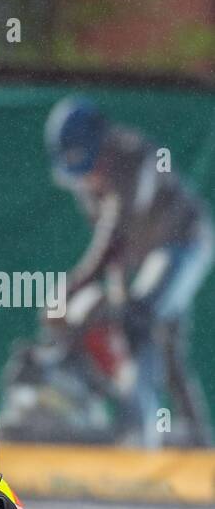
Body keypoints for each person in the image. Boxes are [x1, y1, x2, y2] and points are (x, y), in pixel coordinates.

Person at [40, 96, 213, 447]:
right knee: (154, 333)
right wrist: (112, 296)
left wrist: (74, 286)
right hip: (149, 252)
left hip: (185, 241)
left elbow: (115, 236)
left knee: (142, 317)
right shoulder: (88, 183)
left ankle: (141, 431)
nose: (89, 176)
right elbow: (115, 255)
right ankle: (195, 435)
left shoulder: (136, 156)